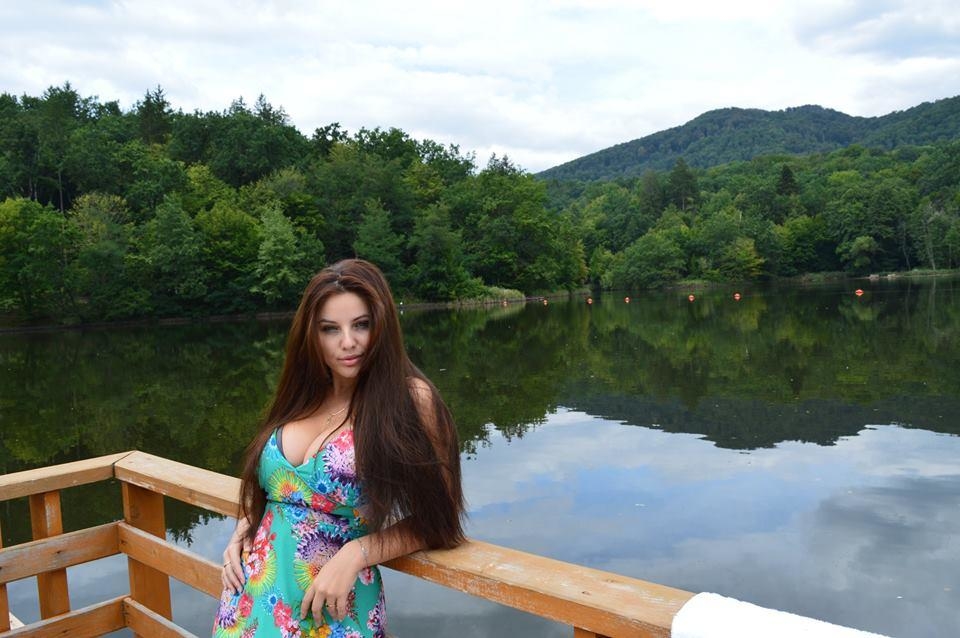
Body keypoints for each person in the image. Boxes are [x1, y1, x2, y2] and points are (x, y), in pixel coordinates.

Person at [213, 259, 466, 637]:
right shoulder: (303, 392)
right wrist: (243, 528)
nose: (348, 342)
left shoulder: (410, 400)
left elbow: (440, 521)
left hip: (332, 613)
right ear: (312, 335)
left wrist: (356, 553)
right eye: (330, 329)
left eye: (361, 324)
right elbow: (273, 488)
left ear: (382, 325)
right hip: (249, 606)